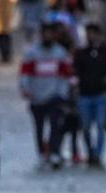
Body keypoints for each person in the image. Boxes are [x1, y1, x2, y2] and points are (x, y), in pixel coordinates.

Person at [20, 22, 74, 168]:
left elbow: (65, 76)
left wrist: (62, 94)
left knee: (56, 125)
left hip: (54, 96)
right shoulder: (32, 53)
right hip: (37, 97)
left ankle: (54, 151)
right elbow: (25, 73)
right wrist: (25, 88)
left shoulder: (60, 53)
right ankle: (41, 153)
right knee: (39, 127)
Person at [75, 23, 106, 169]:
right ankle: (90, 152)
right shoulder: (81, 53)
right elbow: (75, 72)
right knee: (86, 127)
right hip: (85, 94)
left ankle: (97, 154)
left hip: (101, 95)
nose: (90, 36)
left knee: (100, 126)